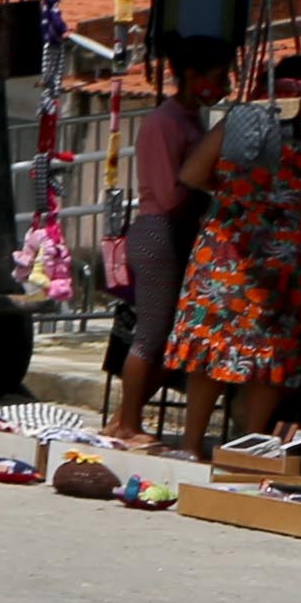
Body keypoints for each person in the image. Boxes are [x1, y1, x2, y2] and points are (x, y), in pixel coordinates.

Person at [168, 49, 301, 453]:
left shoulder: (238, 123)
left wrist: (237, 197)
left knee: (212, 346)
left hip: (224, 250)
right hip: (283, 262)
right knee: (269, 356)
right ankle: (246, 448)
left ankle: (192, 444)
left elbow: (191, 173)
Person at [104, 45, 226, 447]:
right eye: (217, 74)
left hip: (179, 233)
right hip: (159, 231)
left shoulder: (192, 120)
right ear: (191, 74)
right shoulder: (163, 123)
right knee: (151, 334)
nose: (223, 84)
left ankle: (125, 416)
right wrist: (209, 182)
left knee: (172, 338)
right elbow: (169, 193)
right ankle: (127, 425)